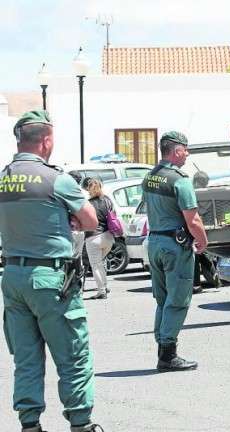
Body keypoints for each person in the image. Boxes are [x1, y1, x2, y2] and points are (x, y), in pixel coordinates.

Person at [0, 110, 104, 432]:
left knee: (27, 360)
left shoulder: (3, 179)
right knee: (73, 357)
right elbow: (90, 220)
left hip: (13, 277)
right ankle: (81, 424)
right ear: (46, 141)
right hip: (51, 280)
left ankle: (30, 425)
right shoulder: (56, 179)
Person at [142, 131, 208, 372]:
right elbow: (193, 220)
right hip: (174, 245)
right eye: (185, 149)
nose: (187, 153)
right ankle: (168, 354)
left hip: (155, 242)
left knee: (162, 299)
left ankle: (163, 347)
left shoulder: (150, 177)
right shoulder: (180, 180)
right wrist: (203, 241)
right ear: (176, 150)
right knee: (178, 299)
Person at [83, 178, 116, 300]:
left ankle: (101, 291)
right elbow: (114, 215)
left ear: (88, 189)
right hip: (108, 237)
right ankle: (105, 286)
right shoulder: (107, 200)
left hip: (93, 238)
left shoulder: (88, 203)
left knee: (96, 265)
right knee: (100, 263)